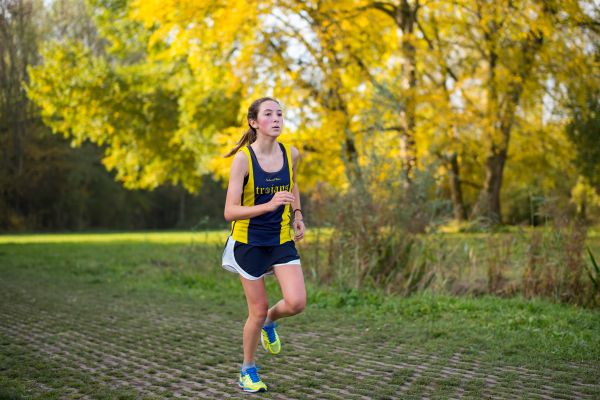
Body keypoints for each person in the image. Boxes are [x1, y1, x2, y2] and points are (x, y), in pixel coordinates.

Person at [222, 97, 306, 393]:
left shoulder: (291, 153)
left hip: (281, 238)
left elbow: (292, 184)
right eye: (268, 114)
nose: (277, 119)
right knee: (255, 311)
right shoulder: (243, 159)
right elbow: (230, 211)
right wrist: (268, 206)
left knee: (297, 302)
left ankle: (272, 320)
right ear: (254, 122)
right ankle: (247, 370)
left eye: (280, 114)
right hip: (250, 243)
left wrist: (297, 214)